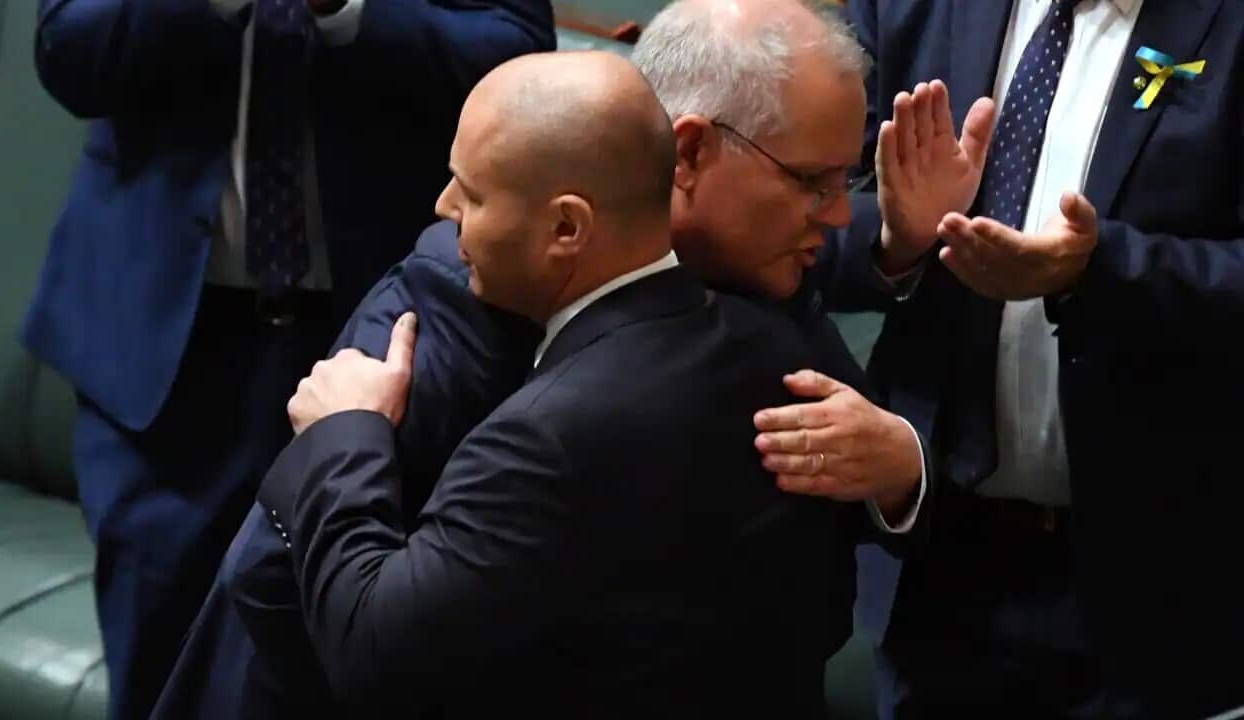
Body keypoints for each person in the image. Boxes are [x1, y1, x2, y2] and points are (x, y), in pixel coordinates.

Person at [158, 2, 933, 715]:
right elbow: (278, 587)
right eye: (812, 182)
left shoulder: (764, 291)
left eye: (845, 181)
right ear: (688, 152)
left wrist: (900, 467)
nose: (838, 215)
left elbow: (822, 551)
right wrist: (349, 441)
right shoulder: (455, 296)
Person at [23, 1, 554, 717]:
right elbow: (68, 50)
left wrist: (345, 9)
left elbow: (521, 63)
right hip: (162, 353)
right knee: (156, 676)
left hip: (381, 353)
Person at [764, 0, 1244, 716]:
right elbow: (796, 204)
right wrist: (898, 237)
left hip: (1158, 578)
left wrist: (1101, 267)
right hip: (935, 566)